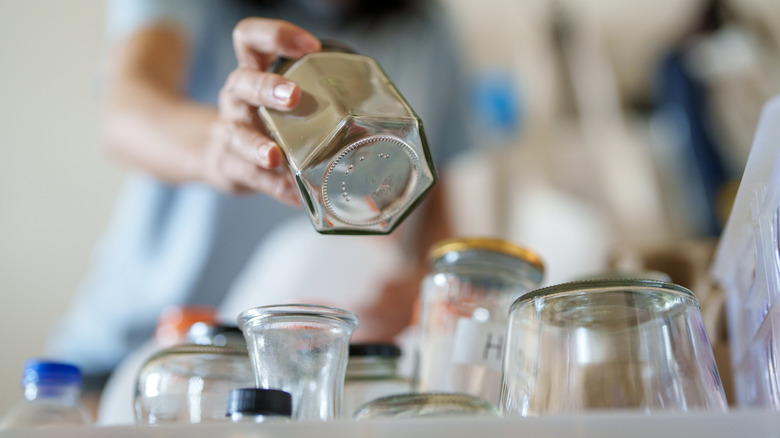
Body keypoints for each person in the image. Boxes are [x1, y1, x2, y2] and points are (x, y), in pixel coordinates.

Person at [46, 0, 471, 381]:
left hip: (294, 374)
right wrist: (218, 146)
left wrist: (421, 291)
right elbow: (126, 113)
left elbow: (438, 209)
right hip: (136, 357)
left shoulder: (428, 30)